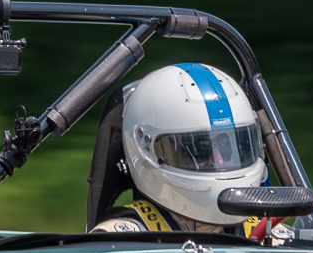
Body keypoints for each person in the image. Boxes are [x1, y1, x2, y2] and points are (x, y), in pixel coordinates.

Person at [91, 63, 269, 237]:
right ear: (146, 149)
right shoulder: (117, 243)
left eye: (228, 147)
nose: (220, 161)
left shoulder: (275, 235)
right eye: (200, 149)